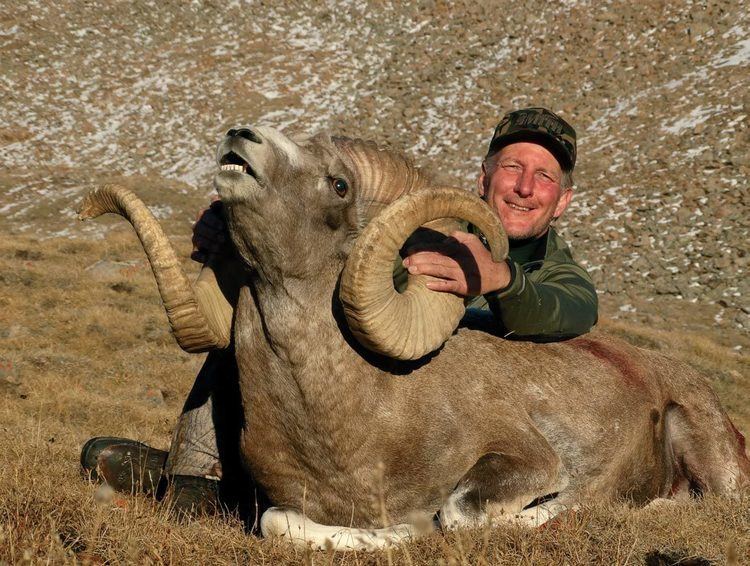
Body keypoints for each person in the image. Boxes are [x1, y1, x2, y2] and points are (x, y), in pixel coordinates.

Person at [80, 107, 597, 521]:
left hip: (464, 411)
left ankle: (233, 490)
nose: (525, 187)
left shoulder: (555, 267)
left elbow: (574, 310)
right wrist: (233, 242)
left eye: (544, 176)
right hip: (363, 397)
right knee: (270, 312)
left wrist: (501, 279)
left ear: (563, 199)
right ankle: (198, 474)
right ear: (483, 177)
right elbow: (321, 266)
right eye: (512, 167)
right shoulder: (423, 232)